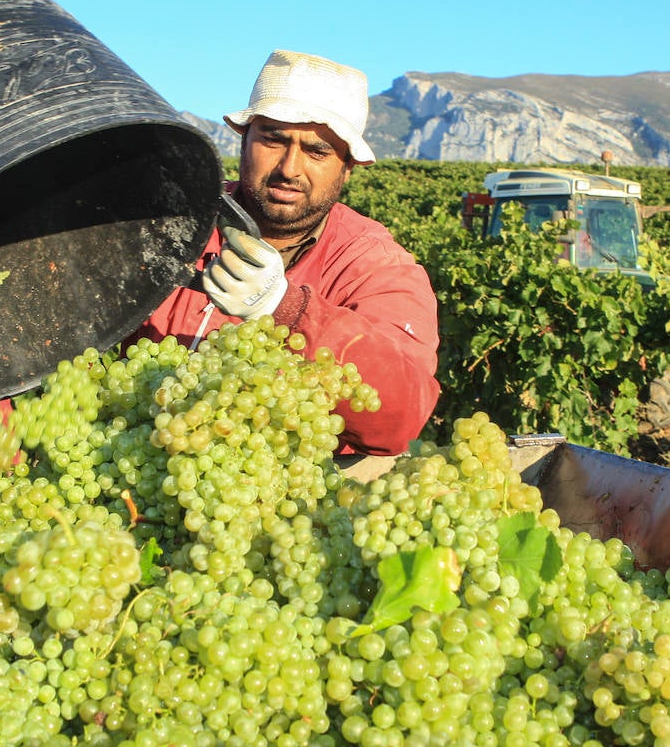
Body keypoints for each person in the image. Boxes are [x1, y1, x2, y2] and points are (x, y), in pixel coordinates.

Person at [129, 50, 441, 456]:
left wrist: (286, 309)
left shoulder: (374, 264)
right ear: (244, 139)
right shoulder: (168, 218)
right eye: (273, 139)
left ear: (348, 167)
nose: (289, 168)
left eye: (317, 151)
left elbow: (402, 416)